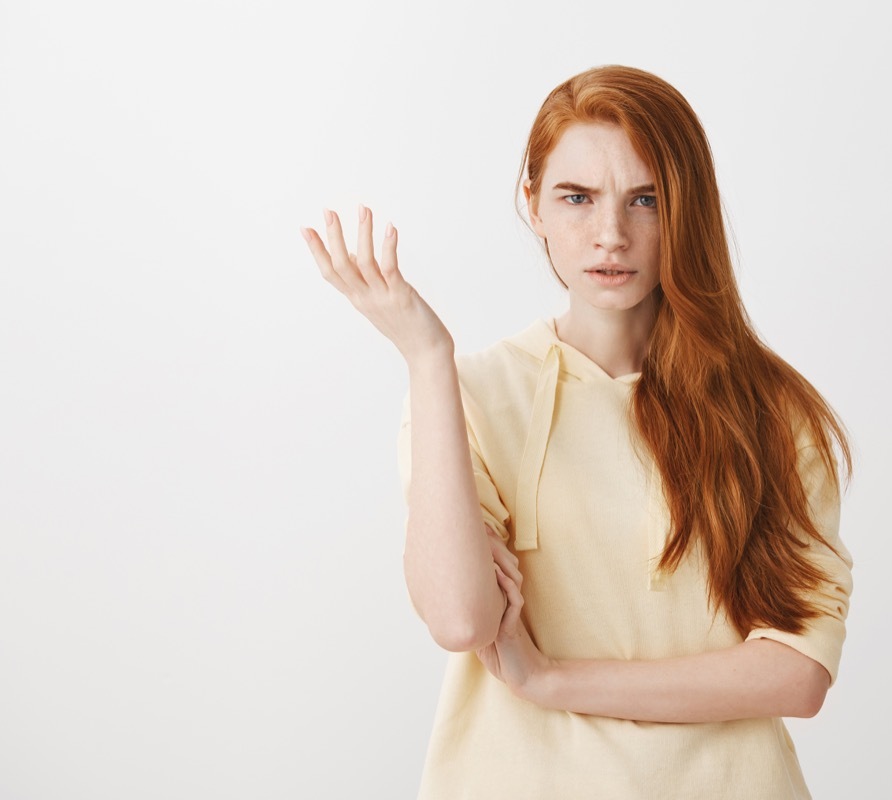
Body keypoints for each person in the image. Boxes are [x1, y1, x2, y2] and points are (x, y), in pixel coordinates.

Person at [300, 64, 854, 800]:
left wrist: (556, 681)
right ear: (533, 205)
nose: (610, 235)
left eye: (645, 199)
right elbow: (461, 617)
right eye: (577, 198)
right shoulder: (472, 395)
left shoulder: (772, 411)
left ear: (685, 208)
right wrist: (429, 359)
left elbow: (797, 671)